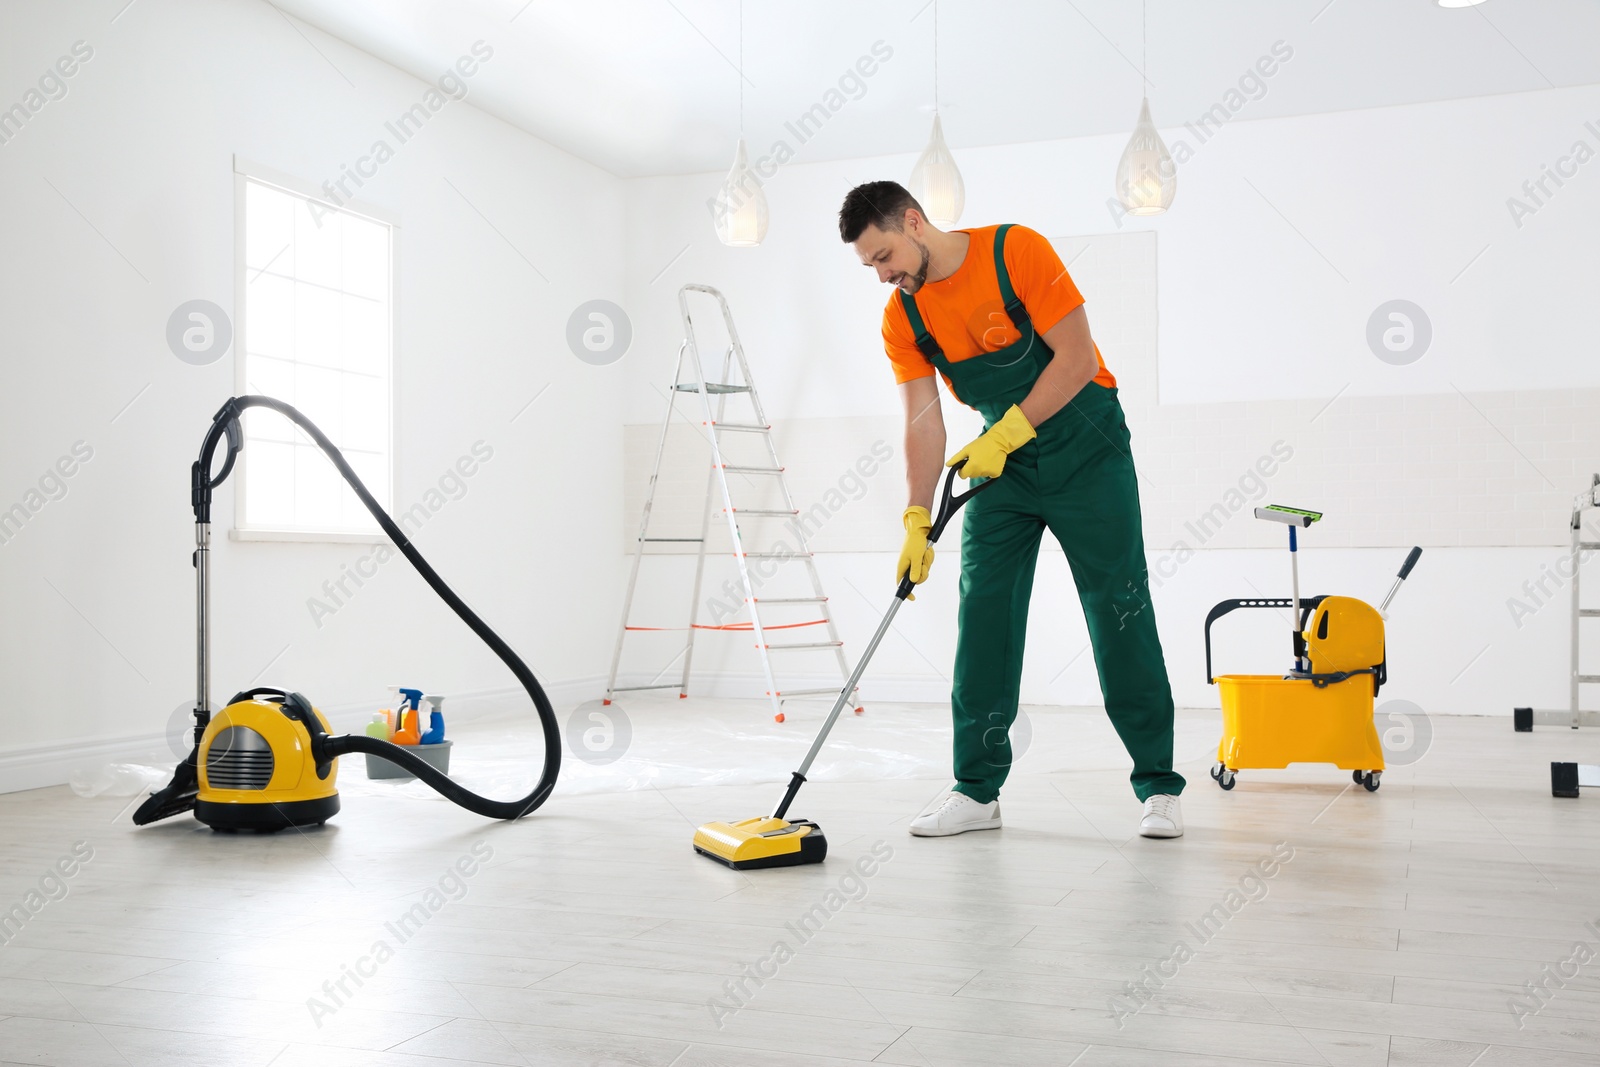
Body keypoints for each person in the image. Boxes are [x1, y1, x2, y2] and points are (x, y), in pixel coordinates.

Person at [838, 181, 1185, 840]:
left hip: (1089, 447)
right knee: (984, 616)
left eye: (885, 256)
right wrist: (915, 518)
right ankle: (976, 789)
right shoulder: (904, 318)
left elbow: (1078, 360)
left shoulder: (1014, 252)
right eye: (872, 267)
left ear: (913, 222)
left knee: (1119, 605)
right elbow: (923, 423)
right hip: (1004, 465)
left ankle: (1159, 783)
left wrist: (1006, 432)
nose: (884, 276)